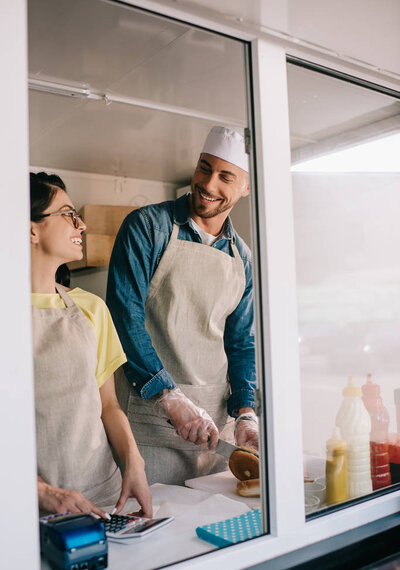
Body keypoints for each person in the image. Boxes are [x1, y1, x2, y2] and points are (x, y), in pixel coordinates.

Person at [107, 126, 258, 485]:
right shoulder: (147, 227)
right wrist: (170, 397)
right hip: (148, 424)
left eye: (225, 176)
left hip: (211, 434)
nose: (208, 184)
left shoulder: (244, 259)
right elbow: (124, 317)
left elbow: (240, 345)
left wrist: (246, 415)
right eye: (204, 168)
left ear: (245, 187)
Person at [30, 171, 152, 518]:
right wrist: (40, 490)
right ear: (31, 229)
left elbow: (108, 405)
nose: (80, 224)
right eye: (67, 213)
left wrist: (133, 460)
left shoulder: (91, 307)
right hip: (33, 506)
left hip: (104, 495)